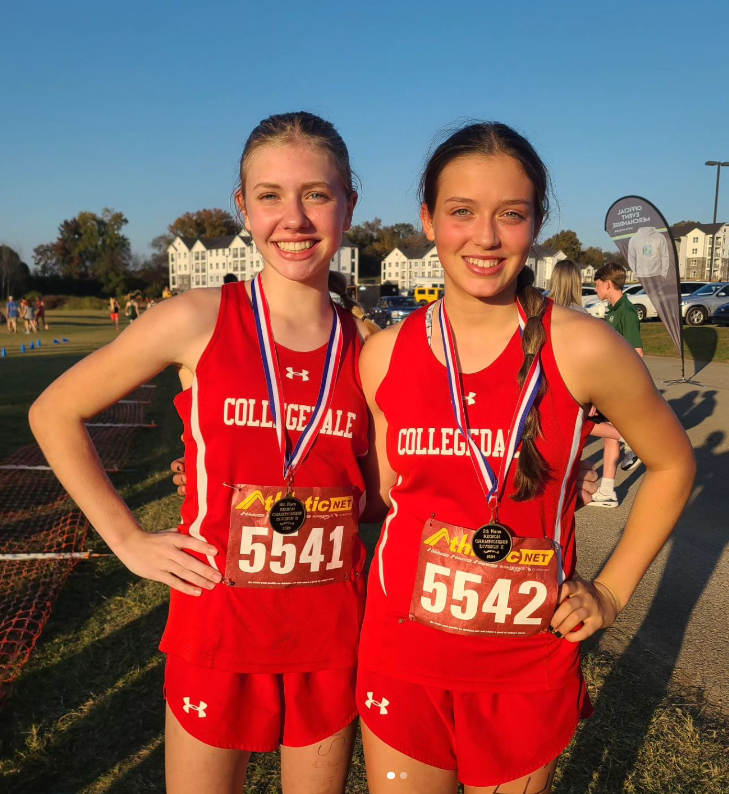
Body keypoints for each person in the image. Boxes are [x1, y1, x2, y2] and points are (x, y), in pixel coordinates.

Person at [29, 111, 374, 794]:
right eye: (270, 195)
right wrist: (125, 538)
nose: (294, 218)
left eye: (316, 193)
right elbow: (54, 411)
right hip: (217, 626)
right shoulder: (196, 317)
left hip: (331, 632)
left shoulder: (369, 344)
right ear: (242, 207)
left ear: (348, 205)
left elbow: (392, 486)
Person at [355, 122, 695, 793]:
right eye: (461, 212)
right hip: (402, 655)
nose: (484, 237)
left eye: (509, 215)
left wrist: (610, 591)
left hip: (522, 664)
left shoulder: (585, 347)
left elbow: (672, 465)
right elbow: (383, 497)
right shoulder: (384, 353)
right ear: (427, 220)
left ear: (536, 224)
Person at [588, 262, 644, 507]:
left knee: (588, 423)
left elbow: (637, 352)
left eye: (597, 284)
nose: (596, 289)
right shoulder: (613, 309)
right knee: (610, 437)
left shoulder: (627, 311)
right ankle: (607, 491)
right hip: (610, 381)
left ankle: (635, 441)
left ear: (607, 284)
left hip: (616, 385)